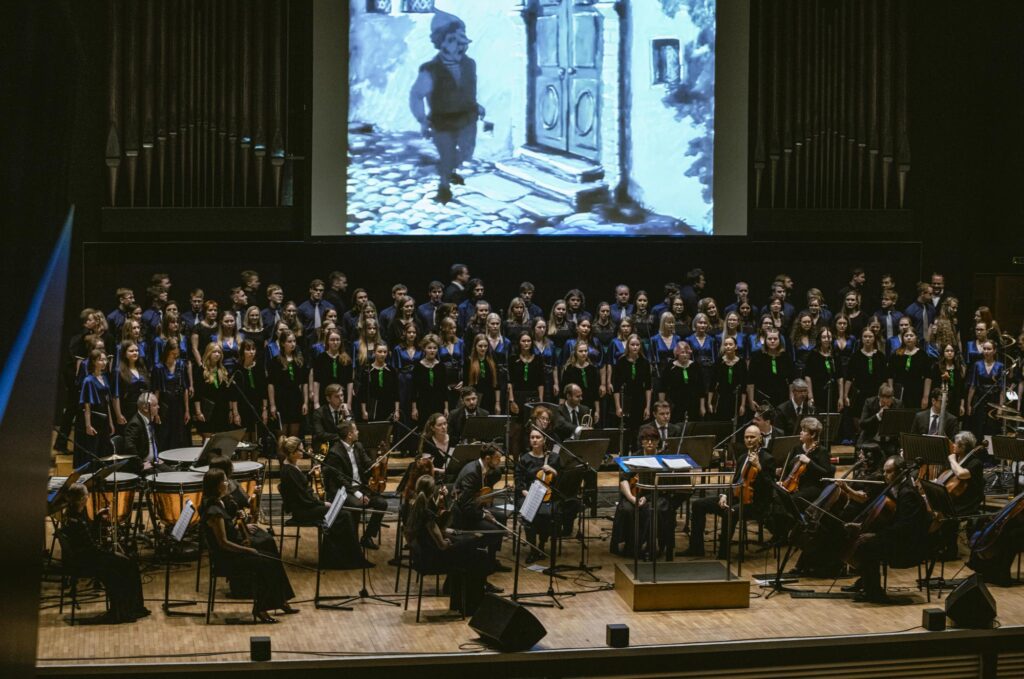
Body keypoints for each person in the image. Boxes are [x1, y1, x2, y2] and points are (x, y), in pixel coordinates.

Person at [199, 468, 298, 622]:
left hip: (233, 552)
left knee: (272, 557)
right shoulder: (214, 512)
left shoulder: (218, 502)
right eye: (224, 481)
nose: (227, 483)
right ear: (218, 486)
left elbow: (227, 530)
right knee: (268, 563)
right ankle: (261, 608)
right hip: (227, 559)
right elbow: (223, 543)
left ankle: (280, 601)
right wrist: (249, 550)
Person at [408, 10, 484, 204]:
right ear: (441, 43)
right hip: (442, 121)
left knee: (467, 152)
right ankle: (444, 188)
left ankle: (449, 169)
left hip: (468, 118)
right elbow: (416, 95)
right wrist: (422, 120)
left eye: (462, 40)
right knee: (447, 154)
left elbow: (469, 90)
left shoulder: (470, 64)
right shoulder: (430, 69)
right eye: (452, 40)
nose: (459, 45)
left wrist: (477, 106)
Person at [404, 474, 496, 614]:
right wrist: (459, 540)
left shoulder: (413, 507)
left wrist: (457, 538)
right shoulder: (427, 515)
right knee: (478, 554)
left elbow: (436, 530)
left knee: (468, 546)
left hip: (421, 556)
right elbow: (442, 545)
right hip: (432, 560)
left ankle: (458, 601)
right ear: (432, 491)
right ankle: (471, 605)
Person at [681, 425, 776, 559]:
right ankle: (696, 548)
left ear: (760, 438)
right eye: (746, 437)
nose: (749, 440)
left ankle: (723, 554)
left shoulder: (767, 458)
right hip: (737, 497)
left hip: (755, 503)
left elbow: (770, 485)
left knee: (730, 511)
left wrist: (759, 467)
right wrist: (724, 495)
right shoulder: (742, 457)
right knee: (698, 505)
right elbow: (736, 481)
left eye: (752, 437)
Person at [59, 484, 149, 623]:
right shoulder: (77, 521)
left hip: (84, 557)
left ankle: (129, 608)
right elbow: (92, 549)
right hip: (86, 561)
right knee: (128, 565)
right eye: (87, 495)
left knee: (128, 563)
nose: (88, 497)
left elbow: (88, 539)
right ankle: (126, 610)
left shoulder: (71, 514)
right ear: (82, 499)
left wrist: (97, 519)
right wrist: (112, 554)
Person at [275, 436, 368, 570]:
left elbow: (299, 487)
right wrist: (322, 504)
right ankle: (345, 558)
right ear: (292, 453)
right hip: (303, 511)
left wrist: (309, 475)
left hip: (305, 506)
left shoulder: (290, 465)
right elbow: (303, 498)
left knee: (341, 513)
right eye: (301, 450)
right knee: (344, 515)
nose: (304, 452)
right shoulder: (289, 471)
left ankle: (337, 557)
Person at [846, 455, 930, 603]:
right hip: (896, 536)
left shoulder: (908, 494)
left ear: (901, 472)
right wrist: (862, 526)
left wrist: (876, 535)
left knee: (867, 545)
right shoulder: (894, 488)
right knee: (862, 539)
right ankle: (867, 583)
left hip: (908, 543)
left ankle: (874, 592)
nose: (885, 475)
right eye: (884, 471)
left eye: (889, 471)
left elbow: (904, 527)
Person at [321, 421, 389, 550]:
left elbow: (367, 463)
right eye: (356, 430)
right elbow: (341, 479)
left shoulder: (358, 446)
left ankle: (367, 537)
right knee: (357, 505)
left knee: (381, 503)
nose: (358, 432)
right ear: (350, 434)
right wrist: (358, 494)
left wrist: (379, 462)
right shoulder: (335, 452)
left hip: (360, 487)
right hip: (343, 490)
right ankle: (353, 544)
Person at [768, 417, 834, 545]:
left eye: (804, 431)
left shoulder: (822, 451)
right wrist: (782, 479)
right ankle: (778, 533)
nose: (801, 433)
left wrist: (809, 462)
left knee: (790, 500)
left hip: (812, 487)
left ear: (813, 435)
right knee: (774, 497)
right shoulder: (796, 449)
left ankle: (787, 534)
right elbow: (788, 468)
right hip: (793, 484)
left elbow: (826, 473)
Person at [452, 443, 509, 575]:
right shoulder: (472, 473)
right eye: (497, 458)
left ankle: (492, 560)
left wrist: (484, 510)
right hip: (463, 515)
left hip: (475, 508)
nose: (499, 462)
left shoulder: (486, 469)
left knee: (502, 517)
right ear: (488, 458)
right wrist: (483, 515)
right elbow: (466, 506)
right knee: (495, 531)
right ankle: (477, 557)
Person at [515, 427, 563, 563]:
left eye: (538, 437)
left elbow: (561, 480)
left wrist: (553, 471)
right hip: (528, 495)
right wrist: (526, 493)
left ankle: (542, 544)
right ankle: (533, 550)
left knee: (550, 513)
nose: (535, 440)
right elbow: (519, 481)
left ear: (544, 440)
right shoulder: (524, 458)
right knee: (530, 513)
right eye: (532, 437)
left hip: (548, 495)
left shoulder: (553, 458)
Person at [612, 334, 653, 453]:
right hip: (625, 399)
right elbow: (616, 387)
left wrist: (647, 407)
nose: (635, 347)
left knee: (637, 430)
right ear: (628, 346)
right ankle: (624, 456)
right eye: (632, 344)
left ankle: (636, 455)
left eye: (637, 345)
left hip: (639, 399)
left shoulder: (645, 362)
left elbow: (648, 386)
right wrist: (618, 407)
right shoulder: (621, 362)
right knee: (626, 431)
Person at [77, 349, 115, 467]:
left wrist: (111, 422)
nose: (104, 362)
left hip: (104, 416)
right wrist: (88, 425)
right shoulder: (88, 380)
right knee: (94, 449)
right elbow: (87, 405)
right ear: (93, 362)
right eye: (101, 360)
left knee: (104, 448)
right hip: (95, 417)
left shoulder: (104, 377)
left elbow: (107, 402)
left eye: (105, 360)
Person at [152, 342, 191, 450]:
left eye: (177, 354)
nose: (175, 356)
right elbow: (156, 391)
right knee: (165, 434)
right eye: (173, 354)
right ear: (167, 352)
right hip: (164, 405)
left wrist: (187, 410)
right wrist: (156, 412)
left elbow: (185, 389)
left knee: (180, 434)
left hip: (179, 405)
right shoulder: (158, 367)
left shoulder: (181, 365)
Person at [966, 340, 1005, 441]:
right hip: (980, 399)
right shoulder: (977, 365)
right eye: (984, 349)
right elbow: (973, 385)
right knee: (978, 428)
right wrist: (969, 405)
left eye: (989, 349)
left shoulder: (1000, 366)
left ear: (994, 351)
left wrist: (1001, 408)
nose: (986, 351)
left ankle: (990, 450)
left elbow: (1002, 389)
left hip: (994, 401)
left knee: (991, 428)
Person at [659, 341, 706, 423]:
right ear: (677, 354)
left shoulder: (695, 366)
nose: (685, 355)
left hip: (693, 403)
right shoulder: (670, 367)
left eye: (687, 353)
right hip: (675, 403)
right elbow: (662, 387)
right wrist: (662, 405)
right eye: (682, 352)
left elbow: (701, 388)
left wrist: (702, 406)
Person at [747, 329, 794, 410]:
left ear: (780, 340)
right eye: (769, 339)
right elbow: (750, 382)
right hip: (762, 397)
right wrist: (751, 400)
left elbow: (791, 380)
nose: (772, 341)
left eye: (775, 339)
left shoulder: (785, 357)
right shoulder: (757, 357)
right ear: (765, 340)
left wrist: (791, 399)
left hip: (782, 397)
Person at [891, 328, 932, 410]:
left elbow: (928, 377)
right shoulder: (896, 354)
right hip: (900, 392)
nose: (909, 338)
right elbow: (890, 374)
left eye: (911, 335)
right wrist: (891, 393)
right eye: (906, 336)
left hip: (917, 391)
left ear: (916, 337)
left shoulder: (923, 355)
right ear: (902, 338)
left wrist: (925, 396)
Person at [358, 343, 399, 422]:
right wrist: (363, 410)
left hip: (388, 407)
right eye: (379, 351)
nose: (382, 354)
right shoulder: (367, 370)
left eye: (385, 352)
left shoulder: (391, 370)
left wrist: (397, 411)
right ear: (374, 352)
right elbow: (363, 393)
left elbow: (396, 392)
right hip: (372, 408)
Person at [711, 336, 748, 423]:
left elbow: (744, 386)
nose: (728, 346)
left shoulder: (742, 363)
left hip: (737, 398)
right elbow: (713, 383)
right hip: (722, 398)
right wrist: (710, 402)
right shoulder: (719, 362)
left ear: (736, 347)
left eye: (730, 344)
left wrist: (743, 405)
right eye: (726, 344)